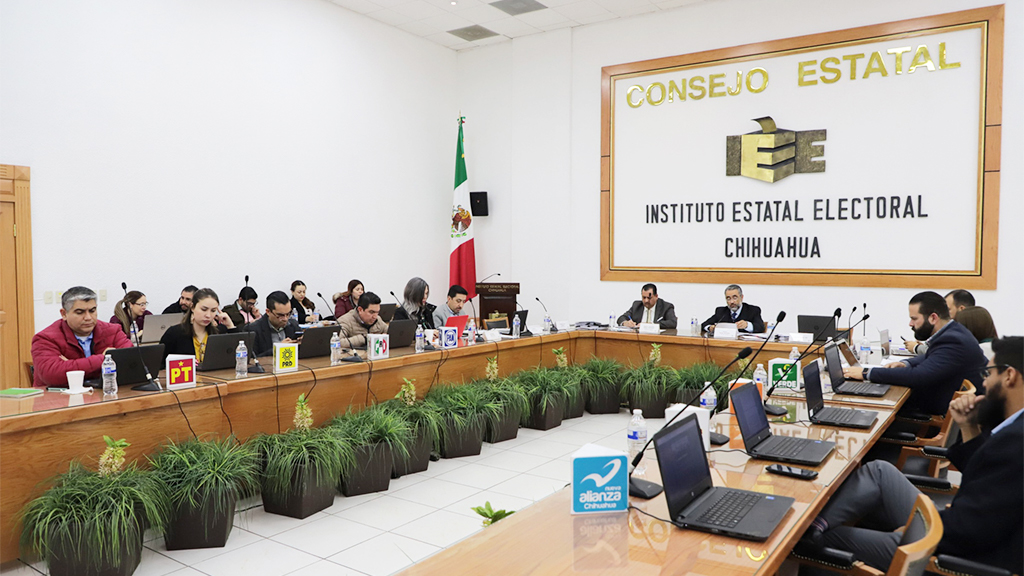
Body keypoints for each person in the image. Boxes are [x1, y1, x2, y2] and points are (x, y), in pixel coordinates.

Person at [804, 336, 1023, 574]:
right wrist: (969, 426)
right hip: (960, 525)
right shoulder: (1014, 430)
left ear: (1009, 376)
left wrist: (915, 530)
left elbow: (969, 530)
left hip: (949, 552)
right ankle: (815, 525)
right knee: (878, 470)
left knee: (824, 539)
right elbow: (982, 479)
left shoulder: (1015, 442)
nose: (985, 383)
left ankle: (806, 536)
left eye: (988, 374)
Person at [843, 291, 987, 415]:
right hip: (943, 404)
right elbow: (930, 356)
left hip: (939, 414)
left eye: (914, 318)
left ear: (933, 318)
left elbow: (919, 376)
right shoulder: (954, 331)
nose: (910, 324)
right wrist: (905, 363)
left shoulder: (952, 340)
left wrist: (866, 373)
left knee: (873, 411)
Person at [31, 286, 132, 386]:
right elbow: (51, 375)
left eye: (92, 311)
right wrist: (104, 359)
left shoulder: (113, 331)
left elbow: (132, 363)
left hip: (105, 392)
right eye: (80, 312)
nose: (88, 317)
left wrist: (71, 366)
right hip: (60, 395)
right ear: (64, 314)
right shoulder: (45, 339)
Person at [159, 288, 239, 362]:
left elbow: (239, 355)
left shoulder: (219, 332)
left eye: (213, 310)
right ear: (192, 307)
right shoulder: (174, 333)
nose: (208, 315)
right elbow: (159, 363)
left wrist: (230, 326)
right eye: (204, 309)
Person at [907, 289, 978, 354]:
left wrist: (916, 348)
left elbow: (943, 352)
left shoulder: (960, 333)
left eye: (948, 309)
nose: (943, 312)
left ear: (961, 309)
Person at [244, 291, 299, 357]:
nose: (285, 319)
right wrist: (278, 349)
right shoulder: (252, 330)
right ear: (268, 312)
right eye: (280, 315)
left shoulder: (293, 325)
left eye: (288, 314)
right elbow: (252, 359)